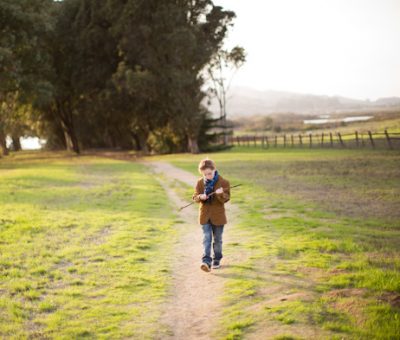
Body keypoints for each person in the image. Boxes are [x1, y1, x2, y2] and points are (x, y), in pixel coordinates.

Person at [192, 158, 230, 272]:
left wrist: (221, 194)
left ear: (215, 170)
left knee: (217, 239)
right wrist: (200, 197)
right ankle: (206, 262)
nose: (208, 176)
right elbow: (194, 197)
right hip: (204, 216)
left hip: (218, 217)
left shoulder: (224, 182)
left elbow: (226, 198)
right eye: (205, 174)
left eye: (210, 173)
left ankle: (217, 259)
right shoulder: (199, 183)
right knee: (206, 238)